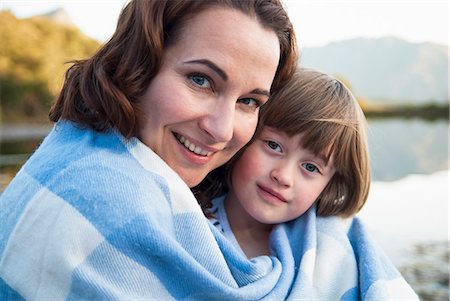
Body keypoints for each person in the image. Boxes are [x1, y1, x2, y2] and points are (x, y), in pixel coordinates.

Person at [0, 1, 298, 300]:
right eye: (201, 80)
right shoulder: (102, 197)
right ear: (138, 64)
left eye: (248, 102)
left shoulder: (86, 151)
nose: (222, 130)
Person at [194, 68, 419, 299]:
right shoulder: (189, 221)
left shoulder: (330, 246)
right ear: (247, 133)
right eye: (273, 145)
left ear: (329, 184)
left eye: (311, 167)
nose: (283, 176)